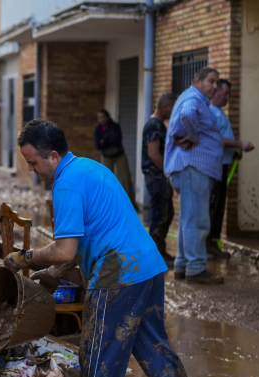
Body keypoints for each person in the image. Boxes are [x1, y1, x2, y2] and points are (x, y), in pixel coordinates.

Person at [5, 118, 217, 377]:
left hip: (116, 276)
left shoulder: (66, 186)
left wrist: (26, 258)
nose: (32, 170)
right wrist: (56, 273)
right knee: (156, 352)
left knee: (98, 360)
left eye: (33, 162)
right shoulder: (90, 168)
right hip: (147, 267)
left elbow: (65, 248)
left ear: (54, 156)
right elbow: (89, 236)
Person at [164, 67, 225, 284]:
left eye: (217, 82)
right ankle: (196, 268)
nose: (215, 86)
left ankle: (183, 265)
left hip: (190, 169)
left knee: (189, 219)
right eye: (211, 81)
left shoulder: (192, 97)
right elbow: (188, 114)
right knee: (198, 221)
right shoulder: (194, 99)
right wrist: (194, 136)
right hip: (193, 168)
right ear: (197, 81)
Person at [208, 80, 255, 259]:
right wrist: (239, 144)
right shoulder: (211, 112)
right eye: (225, 93)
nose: (227, 98)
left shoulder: (219, 113)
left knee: (219, 206)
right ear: (215, 92)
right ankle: (208, 246)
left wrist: (234, 151)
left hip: (223, 164)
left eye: (229, 95)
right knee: (213, 206)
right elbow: (216, 138)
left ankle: (212, 244)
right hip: (215, 167)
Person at [141, 93, 177, 261]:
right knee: (159, 215)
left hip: (159, 177)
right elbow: (154, 154)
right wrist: (167, 171)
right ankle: (154, 255)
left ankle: (159, 251)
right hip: (157, 178)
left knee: (167, 213)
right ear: (165, 107)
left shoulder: (158, 125)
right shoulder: (154, 126)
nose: (174, 112)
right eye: (172, 108)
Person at [94, 109, 135, 207]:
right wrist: (108, 140)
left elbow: (117, 139)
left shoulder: (115, 126)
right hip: (106, 156)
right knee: (106, 179)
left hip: (119, 155)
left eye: (103, 117)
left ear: (108, 117)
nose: (102, 120)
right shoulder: (98, 129)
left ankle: (130, 203)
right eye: (100, 118)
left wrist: (105, 141)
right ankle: (107, 204)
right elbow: (98, 145)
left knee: (125, 178)